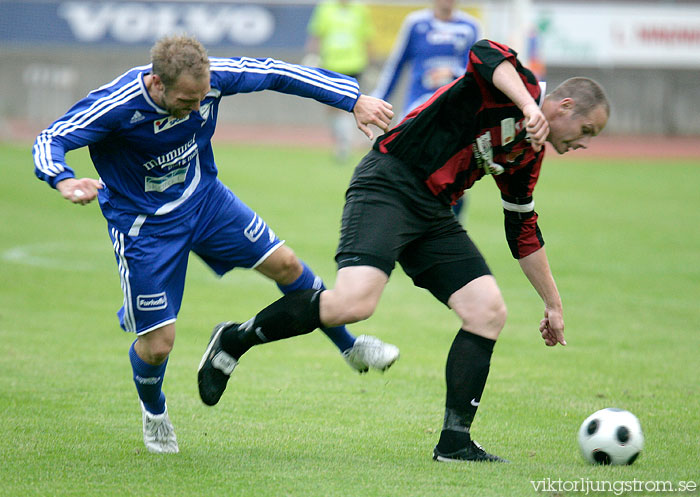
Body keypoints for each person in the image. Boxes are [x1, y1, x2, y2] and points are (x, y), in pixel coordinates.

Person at [197, 39, 610, 462]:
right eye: (586, 131)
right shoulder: (514, 85)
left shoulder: (529, 152)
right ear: (563, 107)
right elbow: (485, 52)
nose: (584, 143)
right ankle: (235, 339)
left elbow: (522, 226)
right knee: (355, 303)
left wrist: (553, 305)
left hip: (433, 211)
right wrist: (527, 105)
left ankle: (455, 442)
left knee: (487, 311)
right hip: (389, 182)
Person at [32, 34, 398, 454]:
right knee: (158, 345)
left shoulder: (213, 79)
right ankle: (155, 413)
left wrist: (350, 98)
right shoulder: (116, 104)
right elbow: (50, 139)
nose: (196, 108)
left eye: (202, 97)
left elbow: (278, 73)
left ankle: (349, 347)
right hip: (144, 228)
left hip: (205, 202)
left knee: (287, 265)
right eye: (187, 101)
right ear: (156, 84)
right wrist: (62, 178)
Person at [371, 0, 482, 218]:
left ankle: (451, 228)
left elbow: (478, 70)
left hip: (455, 112)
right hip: (418, 109)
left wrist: (452, 72)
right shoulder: (415, 23)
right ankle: (408, 226)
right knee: (410, 173)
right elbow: (396, 64)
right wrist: (377, 101)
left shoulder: (471, 27)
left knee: (454, 176)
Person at [306, 0, 375, 162]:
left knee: (353, 104)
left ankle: (346, 143)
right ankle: (342, 140)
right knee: (332, 107)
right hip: (331, 64)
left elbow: (367, 37)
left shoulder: (360, 10)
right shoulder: (325, 8)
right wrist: (312, 55)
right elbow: (317, 34)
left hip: (354, 64)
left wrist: (372, 63)